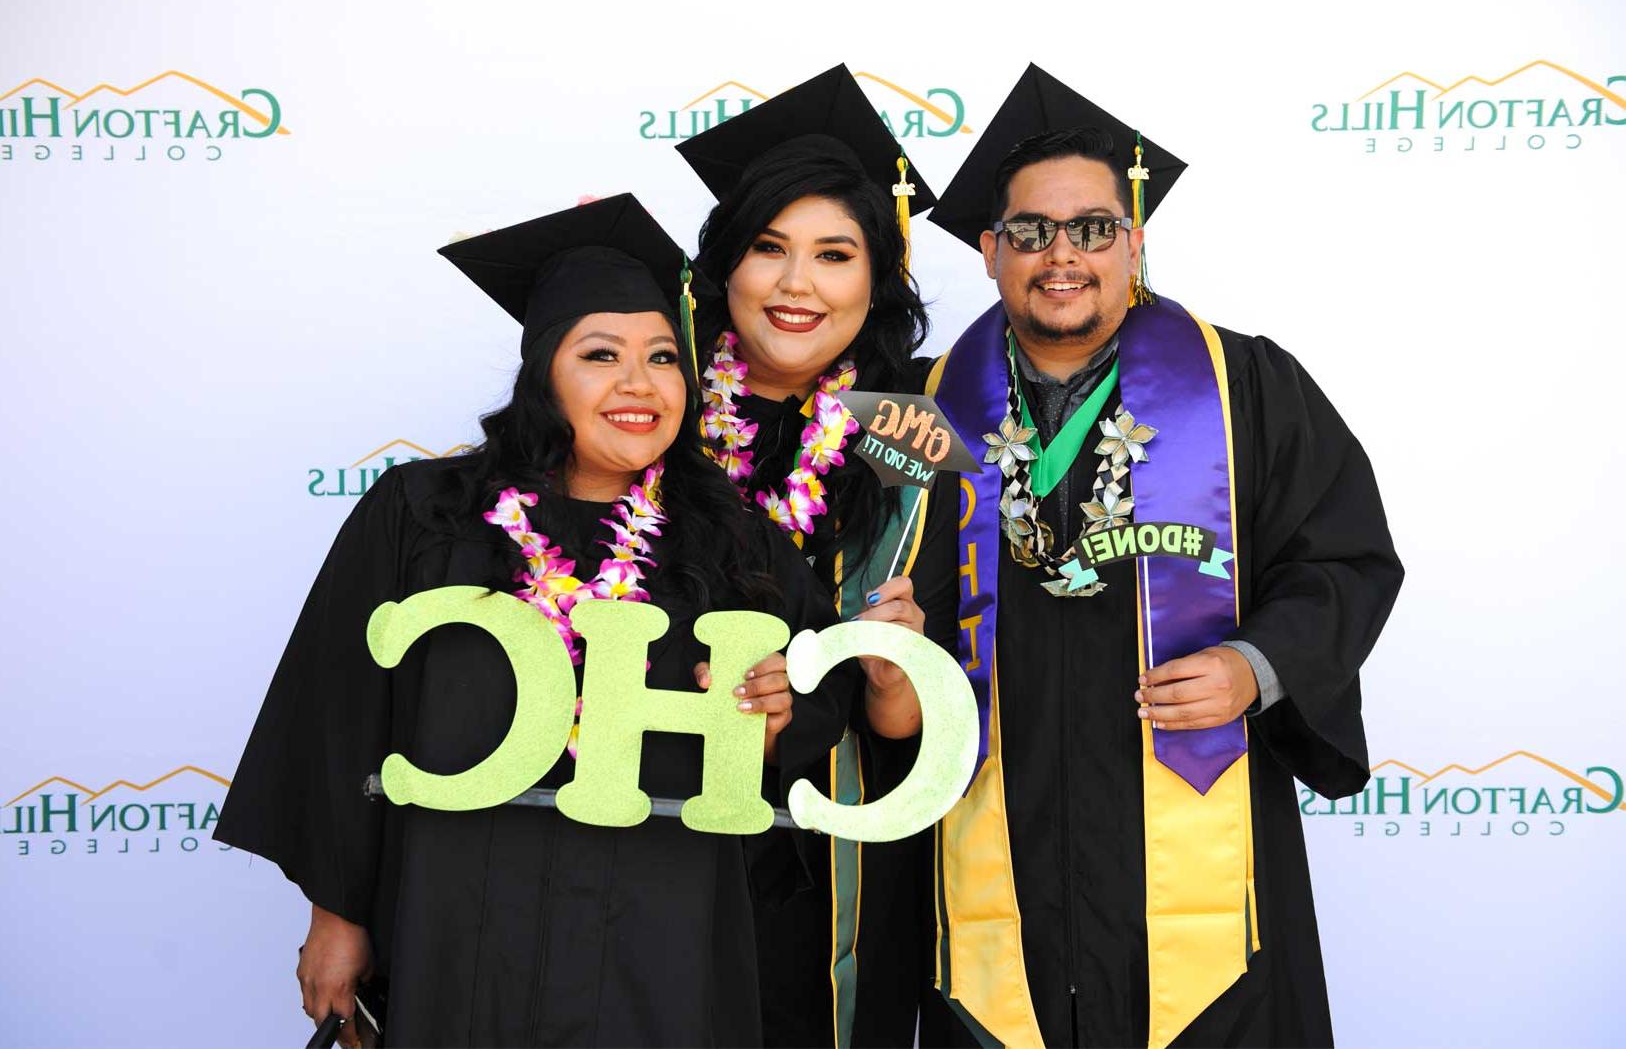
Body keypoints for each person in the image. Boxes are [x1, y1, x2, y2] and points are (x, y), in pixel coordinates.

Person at [214, 194, 879, 1047]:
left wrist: (781, 706)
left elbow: (816, 693)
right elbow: (342, 717)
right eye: (600, 354)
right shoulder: (425, 517)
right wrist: (337, 915)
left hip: (661, 942)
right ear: (543, 374)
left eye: (663, 357)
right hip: (460, 933)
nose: (639, 385)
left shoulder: (730, 542)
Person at [911, 65, 1405, 1048]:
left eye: (1094, 227)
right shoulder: (923, 411)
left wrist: (1252, 666)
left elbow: (1344, 559)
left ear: (1134, 241)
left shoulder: (1243, 386)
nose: (1064, 255)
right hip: (999, 852)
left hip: (1196, 850)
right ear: (989, 248)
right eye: (1031, 232)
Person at [675, 64, 956, 1047]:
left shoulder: (906, 447)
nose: (798, 285)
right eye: (769, 248)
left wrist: (894, 676)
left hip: (838, 860)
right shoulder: (643, 416)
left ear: (876, 277)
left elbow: (925, 725)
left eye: (835, 255)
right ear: (725, 268)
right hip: (646, 839)